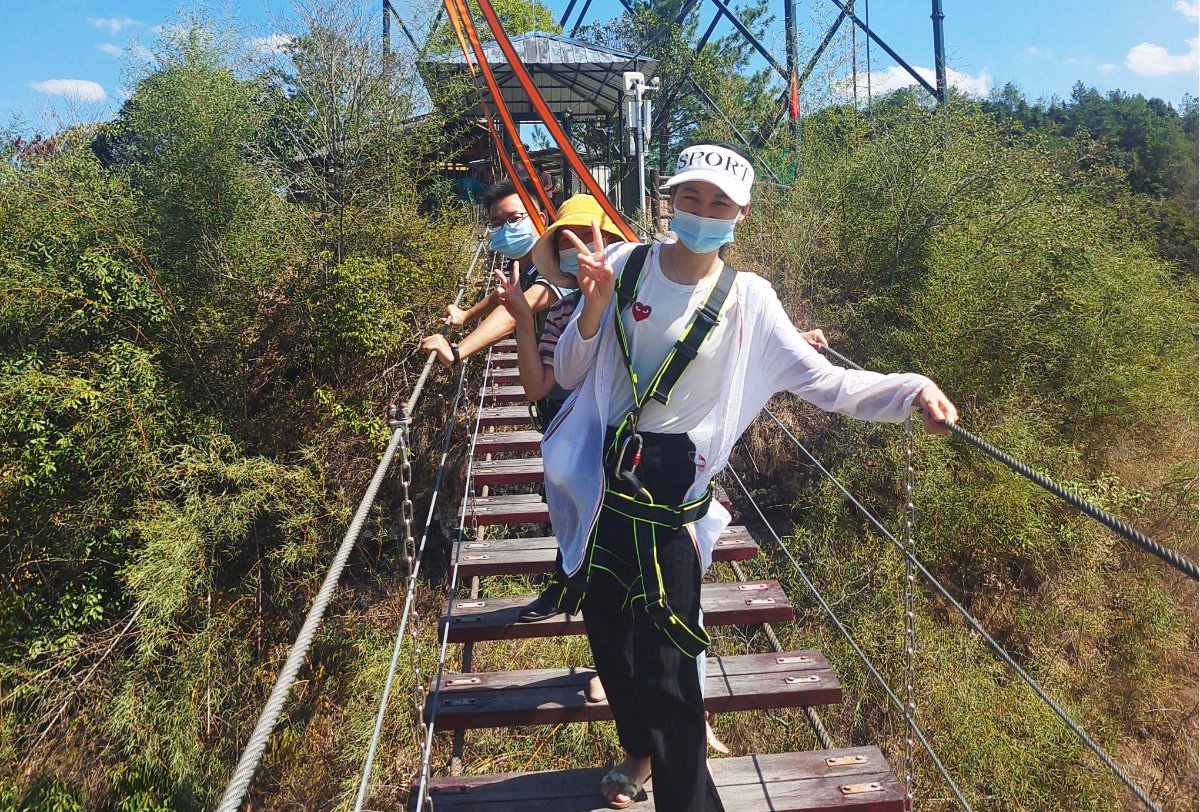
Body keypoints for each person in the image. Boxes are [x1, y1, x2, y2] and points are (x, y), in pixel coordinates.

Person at [543, 140, 958, 811]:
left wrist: (911, 389)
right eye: (691, 197)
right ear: (670, 200)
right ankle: (638, 747)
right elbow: (566, 372)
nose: (702, 212)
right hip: (603, 476)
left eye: (719, 203)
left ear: (741, 214)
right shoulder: (624, 264)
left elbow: (827, 382)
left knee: (670, 665)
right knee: (609, 636)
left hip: (670, 492)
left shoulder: (749, 300)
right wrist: (593, 308)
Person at [419, 177, 569, 366]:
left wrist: (456, 352)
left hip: (571, 381)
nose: (506, 228)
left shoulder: (558, 266)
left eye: (515, 219)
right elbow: (503, 295)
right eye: (497, 223)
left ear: (540, 219)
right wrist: (466, 316)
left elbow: (514, 311)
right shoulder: (525, 266)